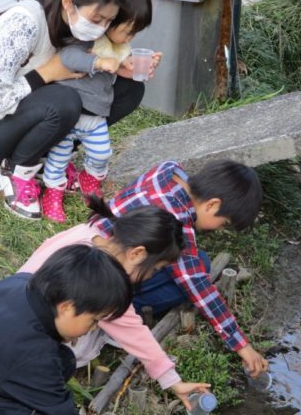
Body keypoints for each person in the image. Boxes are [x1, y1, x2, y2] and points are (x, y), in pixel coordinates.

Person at [0, 0, 149, 221]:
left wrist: (121, 64)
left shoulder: (75, 24)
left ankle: (53, 156)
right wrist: (46, 74)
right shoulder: (26, 21)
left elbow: (87, 77)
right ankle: (15, 169)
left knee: (129, 89)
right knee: (65, 101)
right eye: (97, 19)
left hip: (36, 112)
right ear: (69, 2)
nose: (102, 28)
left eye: (108, 22)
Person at [18, 198, 210, 412]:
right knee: (77, 351)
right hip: (31, 337)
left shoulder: (85, 234)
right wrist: (172, 380)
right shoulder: (103, 278)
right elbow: (132, 330)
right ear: (137, 253)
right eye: (155, 269)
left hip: (14, 303)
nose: (150, 276)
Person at [94, 159, 271, 378]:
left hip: (100, 247)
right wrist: (241, 345)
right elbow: (198, 287)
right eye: (223, 222)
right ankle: (119, 315)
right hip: (101, 279)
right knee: (194, 275)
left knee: (201, 262)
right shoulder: (175, 217)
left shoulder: (168, 172)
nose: (219, 229)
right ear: (212, 205)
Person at [0, 245, 132, 415]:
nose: (93, 329)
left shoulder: (23, 283)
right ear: (67, 307)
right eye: (94, 320)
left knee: (64, 359)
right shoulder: (34, 354)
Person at [41, 0, 157, 222]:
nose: (130, 37)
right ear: (112, 20)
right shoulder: (90, 37)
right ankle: (52, 193)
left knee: (102, 153)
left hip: (94, 117)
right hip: (71, 114)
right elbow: (69, 55)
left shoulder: (118, 45)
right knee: (58, 158)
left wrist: (137, 64)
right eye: (128, 30)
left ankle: (89, 178)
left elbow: (121, 61)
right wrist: (97, 63)